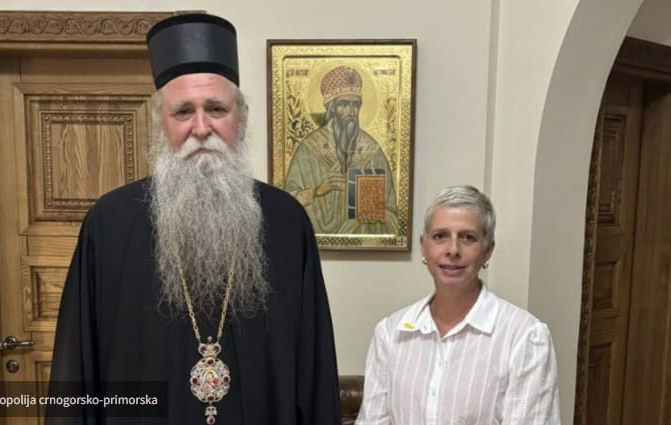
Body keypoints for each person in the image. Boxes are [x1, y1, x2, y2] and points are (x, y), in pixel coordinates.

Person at [46, 13, 341, 425]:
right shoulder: (108, 225)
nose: (201, 128)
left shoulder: (287, 223)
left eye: (216, 109)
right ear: (160, 124)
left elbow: (314, 371)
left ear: (241, 119)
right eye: (183, 111)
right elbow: (77, 375)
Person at [355, 186, 560, 425]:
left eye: (467, 237)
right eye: (440, 236)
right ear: (424, 246)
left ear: (488, 251)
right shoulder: (390, 333)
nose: (453, 250)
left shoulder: (525, 337)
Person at [283, 65, 398, 235]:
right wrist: (317, 191)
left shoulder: (372, 150)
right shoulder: (308, 149)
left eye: (356, 105)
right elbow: (286, 202)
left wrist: (377, 214)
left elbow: (392, 211)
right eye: (343, 104)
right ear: (331, 108)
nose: (351, 112)